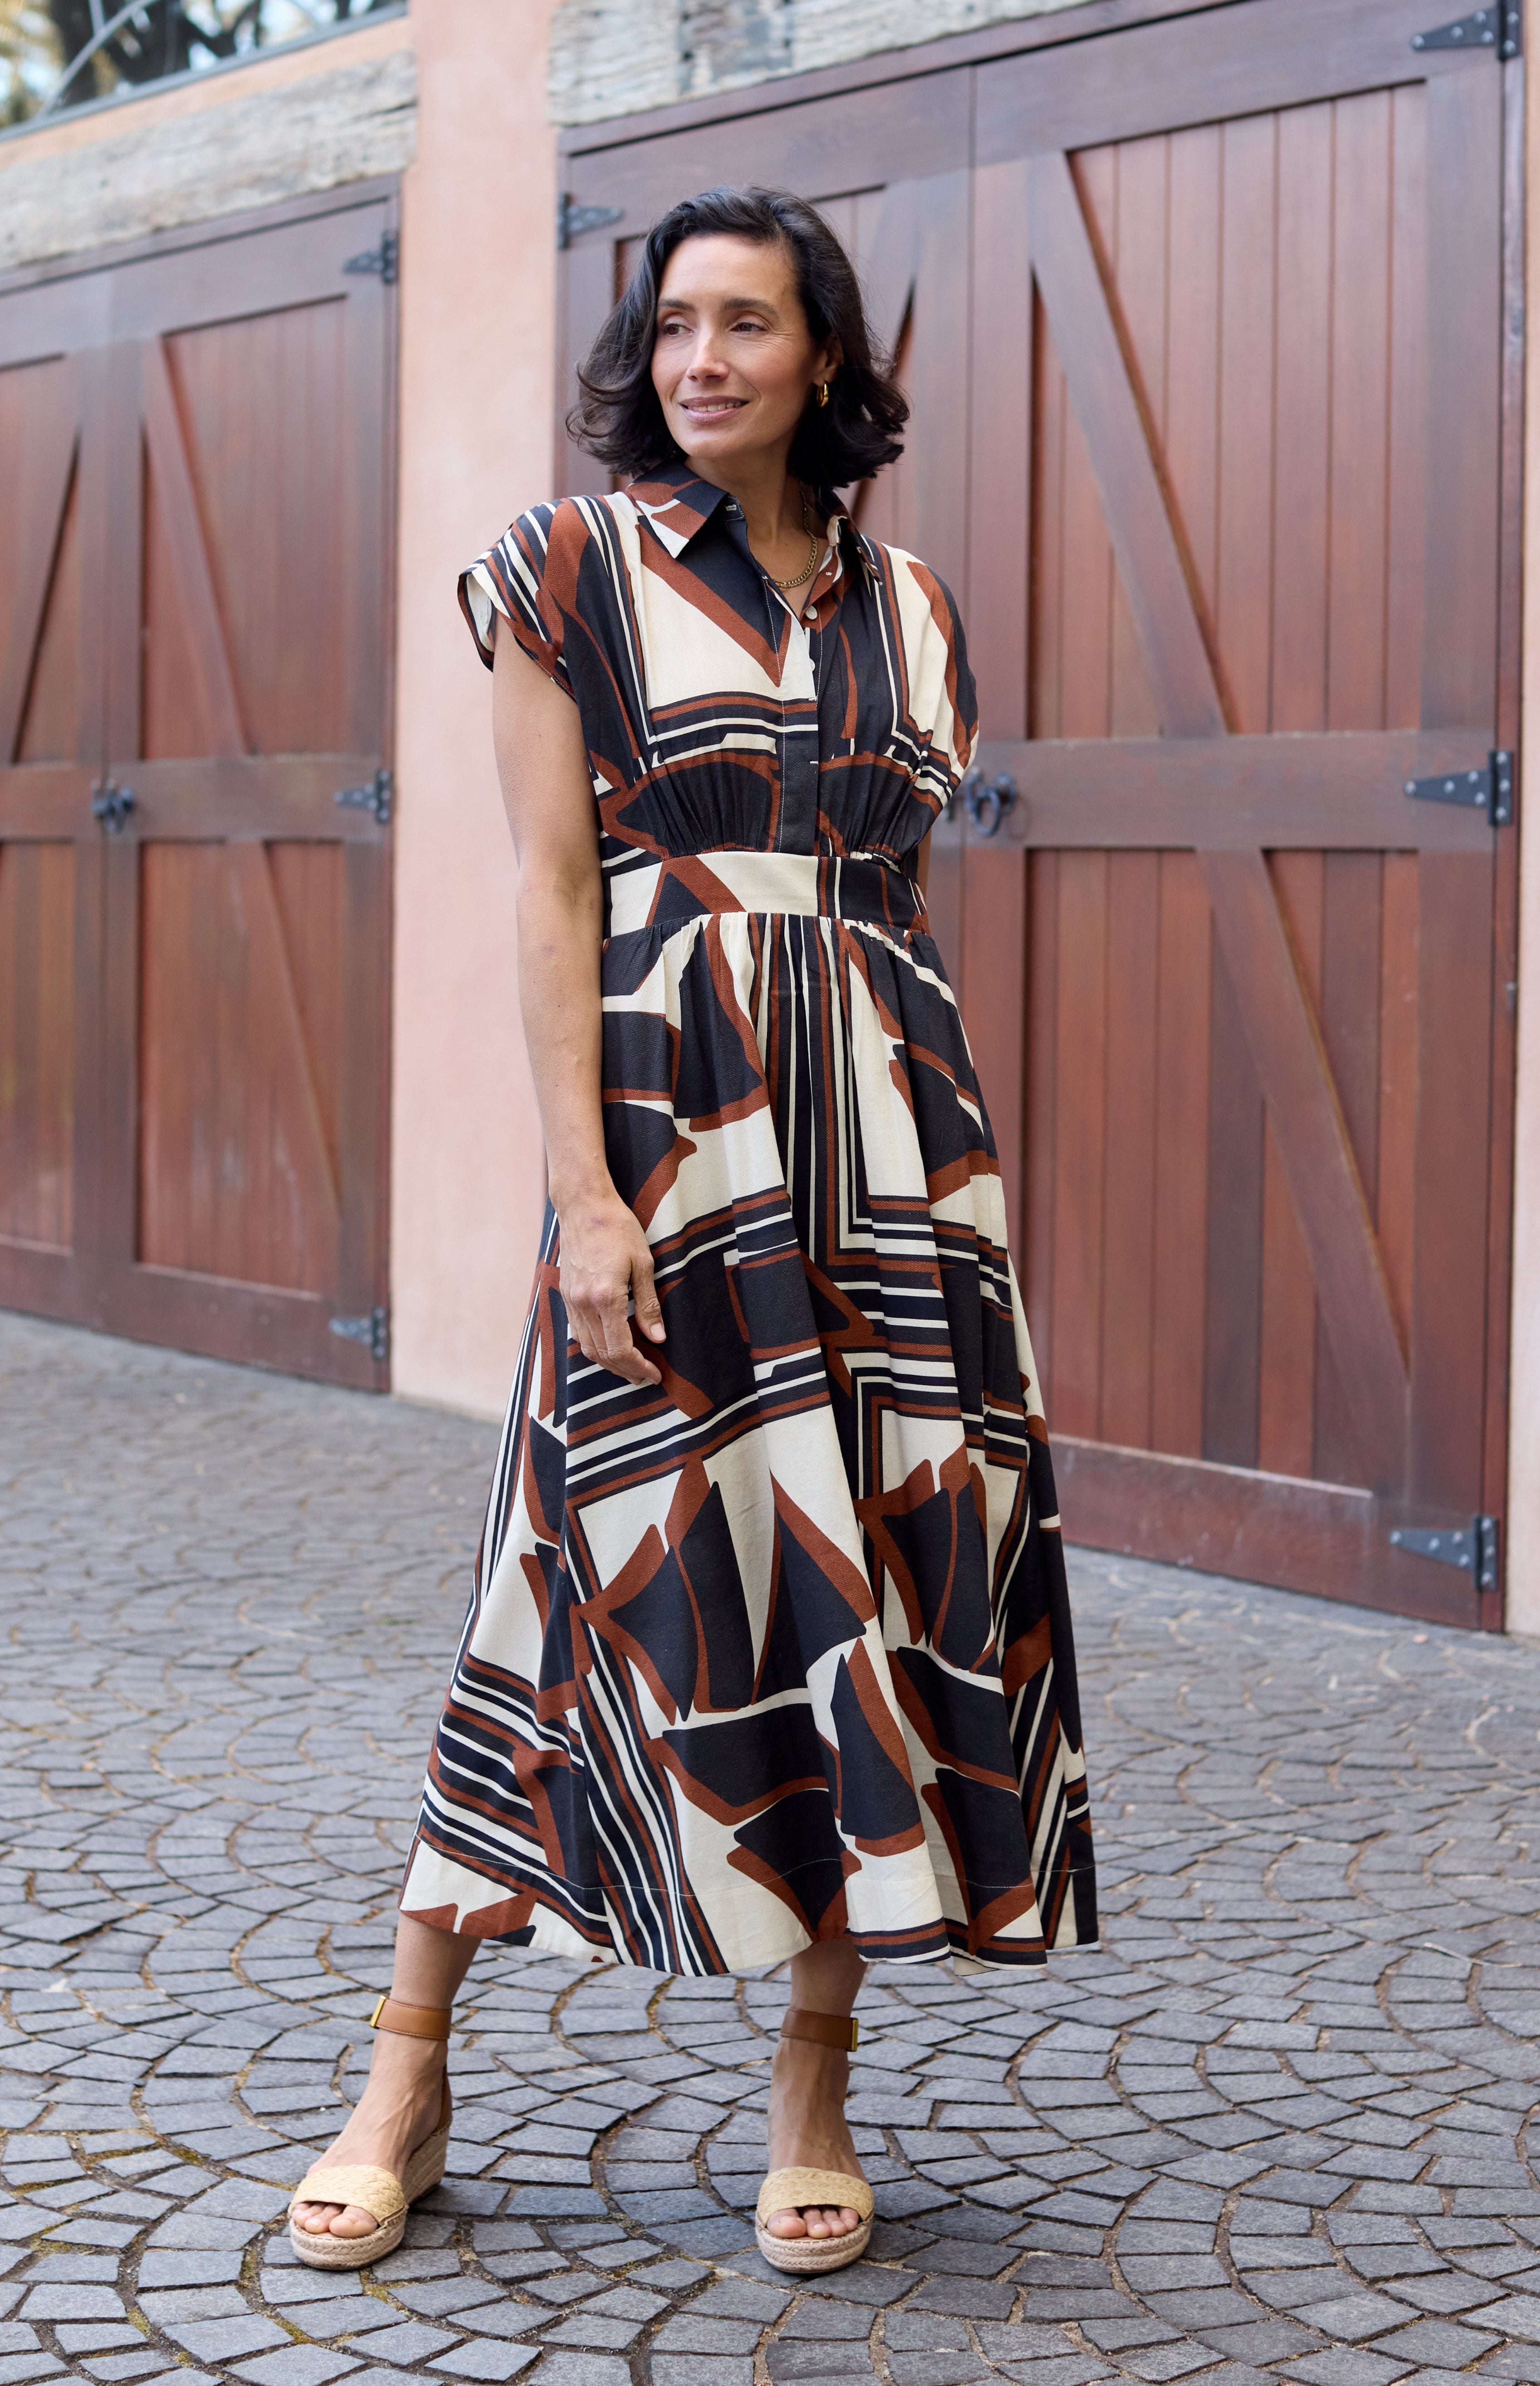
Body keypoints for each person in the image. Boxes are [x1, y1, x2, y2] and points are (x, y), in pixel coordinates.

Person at [290, 182, 1097, 2280]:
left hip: (889, 1162)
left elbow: (891, 903)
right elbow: (552, 896)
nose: (699, 359)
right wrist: (581, 1194)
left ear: (822, 355)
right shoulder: (564, 570)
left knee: (873, 1573)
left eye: (743, 322)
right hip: (664, 1143)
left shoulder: (911, 608)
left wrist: (927, 1164)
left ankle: (813, 2085)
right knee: (567, 1562)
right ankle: (401, 2071)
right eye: (670, 326)